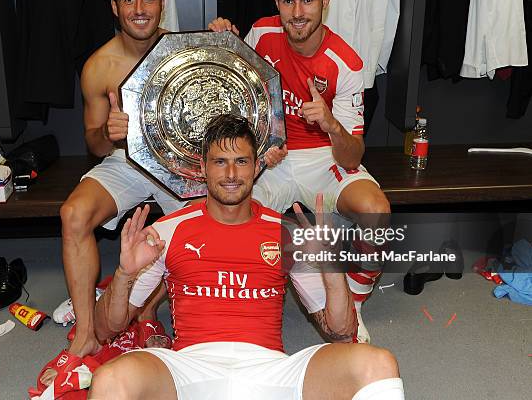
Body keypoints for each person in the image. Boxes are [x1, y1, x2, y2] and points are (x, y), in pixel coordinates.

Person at [89, 114, 404, 400]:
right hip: (188, 368)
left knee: (378, 363)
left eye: (241, 161)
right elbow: (106, 330)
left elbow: (341, 331)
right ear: (202, 167)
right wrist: (124, 274)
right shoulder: (168, 230)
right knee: (109, 380)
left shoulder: (288, 232)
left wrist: (331, 270)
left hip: (269, 370)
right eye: (219, 162)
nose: (230, 173)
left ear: (256, 167)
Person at [208, 0, 391, 343]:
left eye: (307, 0)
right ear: (276, 2)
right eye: (288, 2)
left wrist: (329, 123)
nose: (297, 12)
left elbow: (353, 156)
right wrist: (221, 37)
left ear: (325, 0)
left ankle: (353, 298)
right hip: (273, 156)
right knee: (224, 207)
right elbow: (227, 88)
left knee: (376, 211)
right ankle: (232, 308)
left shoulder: (347, 62)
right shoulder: (260, 34)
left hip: (325, 158)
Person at [37, 0, 186, 389]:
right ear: (114, 6)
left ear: (161, 3)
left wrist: (224, 35)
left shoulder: (184, 51)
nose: (139, 7)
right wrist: (109, 132)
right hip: (125, 160)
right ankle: (85, 334)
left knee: (196, 226)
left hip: (179, 165)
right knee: (74, 215)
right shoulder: (99, 66)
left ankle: (149, 310)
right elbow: (93, 143)